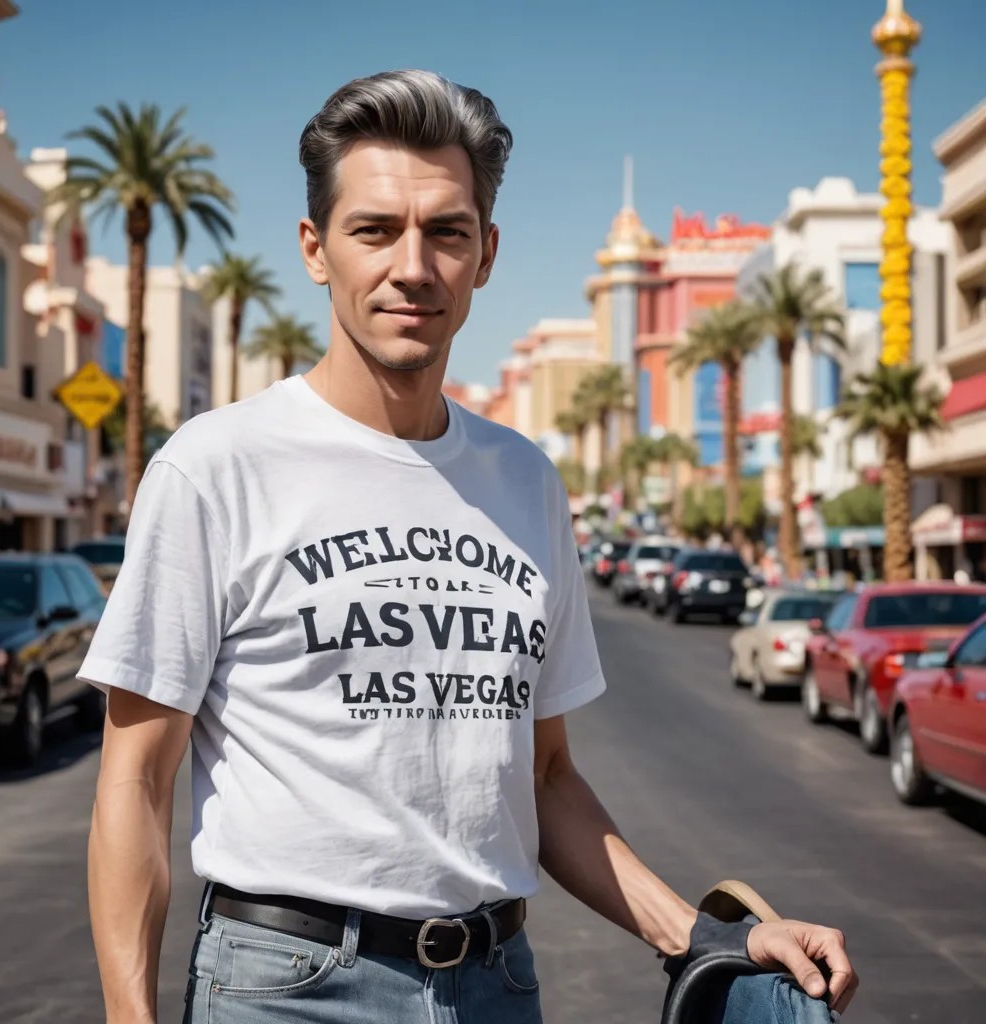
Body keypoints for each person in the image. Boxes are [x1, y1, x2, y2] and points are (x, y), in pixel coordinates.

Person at [80, 70, 858, 1024]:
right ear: (315, 249)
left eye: (447, 232)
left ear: (484, 254)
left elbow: (547, 780)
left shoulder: (526, 481)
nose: (414, 266)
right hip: (286, 988)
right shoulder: (215, 467)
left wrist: (705, 938)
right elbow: (136, 779)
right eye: (374, 230)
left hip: (497, 982)